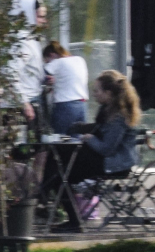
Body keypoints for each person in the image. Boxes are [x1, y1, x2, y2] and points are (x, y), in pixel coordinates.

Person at [50, 69, 141, 233]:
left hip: (113, 164)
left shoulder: (119, 117)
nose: (94, 94)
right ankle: (71, 217)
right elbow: (99, 130)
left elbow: (106, 148)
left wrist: (89, 138)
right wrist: (80, 128)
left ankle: (72, 219)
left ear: (109, 93)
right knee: (58, 163)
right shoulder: (108, 111)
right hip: (103, 159)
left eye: (97, 90)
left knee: (60, 172)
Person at [42, 39, 90, 132]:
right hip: (82, 105)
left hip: (65, 106)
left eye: (47, 61)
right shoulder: (80, 60)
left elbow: (39, 76)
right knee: (78, 139)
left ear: (52, 55)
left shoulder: (57, 62)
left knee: (60, 140)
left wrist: (47, 80)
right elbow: (69, 78)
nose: (48, 63)